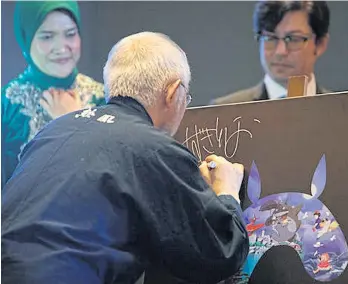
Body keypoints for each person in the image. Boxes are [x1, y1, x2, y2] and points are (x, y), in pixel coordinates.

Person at [2, 32, 249, 284]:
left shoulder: (54, 130)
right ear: (173, 93)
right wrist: (226, 192)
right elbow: (221, 254)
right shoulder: (156, 149)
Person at [1, 1, 104, 188]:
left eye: (70, 34)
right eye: (47, 37)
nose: (62, 47)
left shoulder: (104, 98)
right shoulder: (6, 106)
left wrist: (72, 121)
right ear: (26, 38)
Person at [212, 0, 330, 105]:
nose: (280, 51)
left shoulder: (343, 112)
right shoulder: (225, 111)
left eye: (293, 39)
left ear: (320, 44)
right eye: (270, 38)